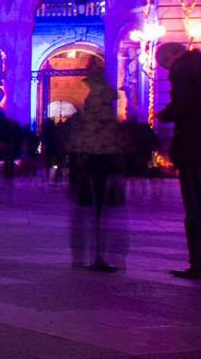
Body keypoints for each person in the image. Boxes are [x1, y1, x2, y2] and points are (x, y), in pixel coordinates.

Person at [157, 42, 201, 281]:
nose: (167, 71)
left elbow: (185, 105)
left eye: (165, 65)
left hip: (194, 146)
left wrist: (166, 114)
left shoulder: (183, 70)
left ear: (172, 56)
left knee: (196, 208)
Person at [65, 63, 127, 273]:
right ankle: (97, 254)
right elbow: (104, 126)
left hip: (91, 152)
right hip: (100, 153)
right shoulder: (101, 95)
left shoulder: (94, 94)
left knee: (90, 204)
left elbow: (92, 125)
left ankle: (89, 253)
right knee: (98, 204)